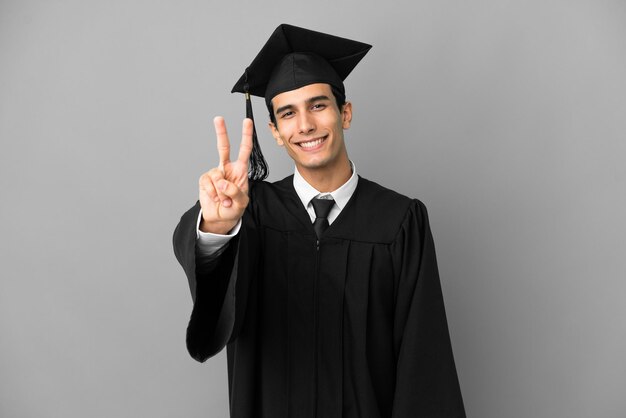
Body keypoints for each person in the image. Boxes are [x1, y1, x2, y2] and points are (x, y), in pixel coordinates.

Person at [173, 24, 465, 418]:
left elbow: (423, 363)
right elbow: (213, 307)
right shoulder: (251, 212)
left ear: (345, 113)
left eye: (318, 105)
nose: (305, 125)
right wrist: (219, 227)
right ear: (275, 133)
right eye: (288, 113)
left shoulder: (399, 221)